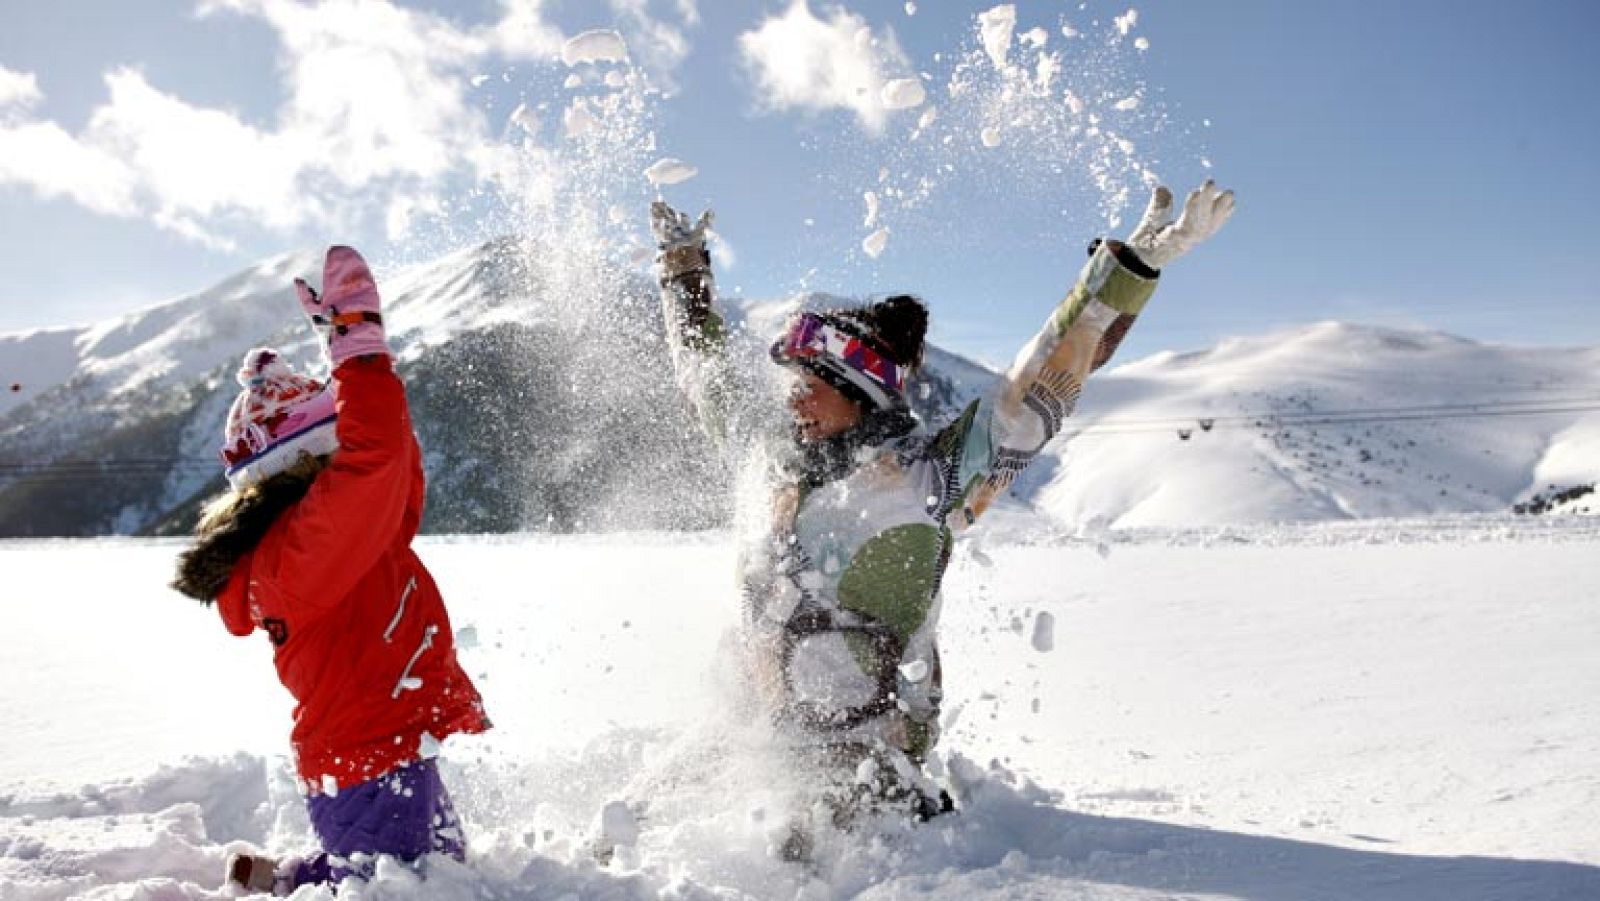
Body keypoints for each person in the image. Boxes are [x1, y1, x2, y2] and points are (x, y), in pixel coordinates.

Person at [651, 182, 1234, 850]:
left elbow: (1039, 380)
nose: (795, 403)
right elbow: (705, 373)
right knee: (617, 835)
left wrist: (1126, 271)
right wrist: (684, 269)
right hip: (748, 739)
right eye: (792, 388)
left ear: (860, 396)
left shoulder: (931, 479)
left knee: (791, 856)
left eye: (810, 388)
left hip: (870, 763)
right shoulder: (765, 456)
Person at [171, 246, 490, 895]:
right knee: (402, 887)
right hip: (370, 760)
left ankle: (288, 876)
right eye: (341, 445)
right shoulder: (304, 552)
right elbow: (376, 464)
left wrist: (362, 387)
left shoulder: (334, 542)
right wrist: (359, 357)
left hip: (385, 752)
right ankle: (304, 882)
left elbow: (391, 481)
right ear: (313, 459)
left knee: (436, 876)